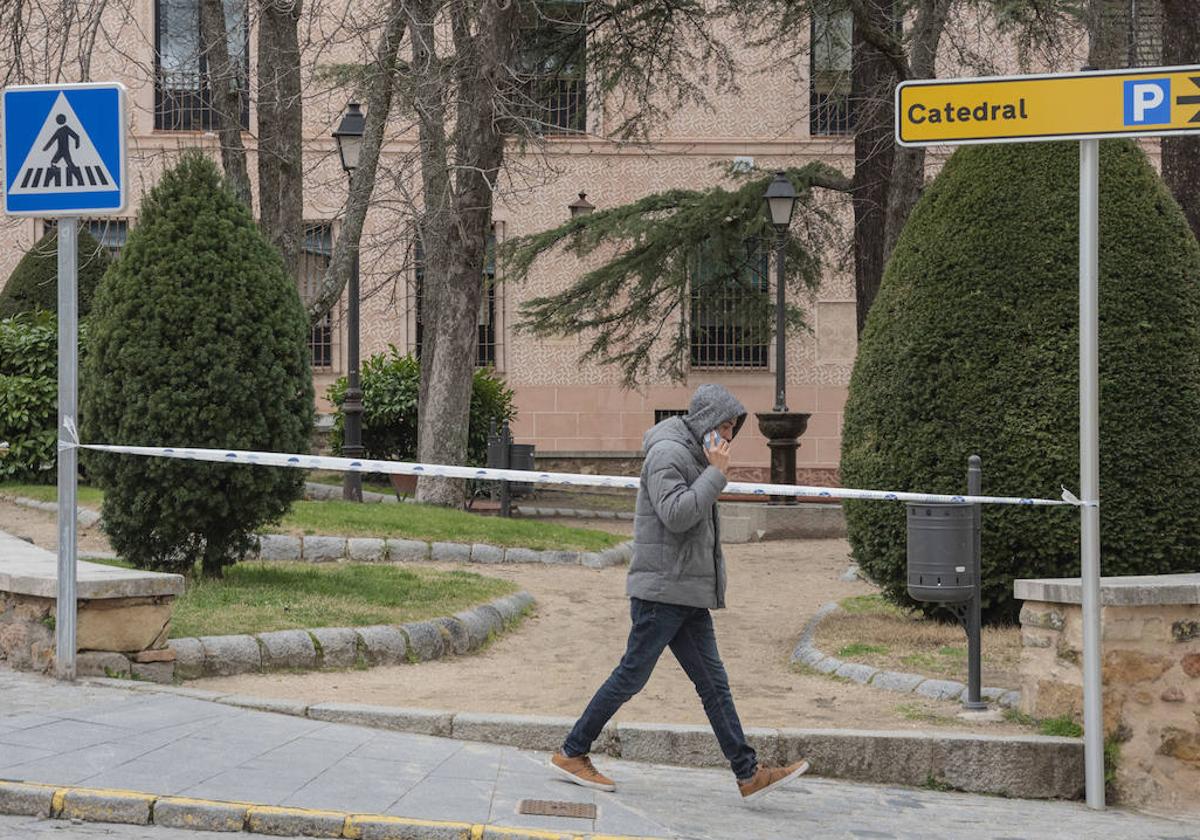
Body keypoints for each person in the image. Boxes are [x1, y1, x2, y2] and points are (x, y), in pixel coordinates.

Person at [550, 383, 809, 802]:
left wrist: (710, 470)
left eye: (731, 429)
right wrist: (716, 474)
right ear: (706, 423)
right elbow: (677, 515)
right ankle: (572, 752)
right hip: (661, 592)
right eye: (724, 426)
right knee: (631, 676)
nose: (728, 437)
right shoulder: (669, 454)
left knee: (714, 685)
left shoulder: (694, 455)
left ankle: (748, 774)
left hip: (685, 593)